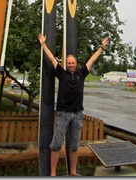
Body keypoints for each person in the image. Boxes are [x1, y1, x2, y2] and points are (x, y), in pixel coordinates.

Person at [37, 33, 109, 176]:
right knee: (57, 144)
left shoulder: (81, 74)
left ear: (76, 64)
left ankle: (74, 172)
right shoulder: (61, 73)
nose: (71, 65)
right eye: (69, 63)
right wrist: (43, 44)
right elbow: (51, 59)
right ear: (66, 64)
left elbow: (92, 59)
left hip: (77, 114)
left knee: (74, 145)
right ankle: (53, 173)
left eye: (73, 63)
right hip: (63, 113)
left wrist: (101, 47)